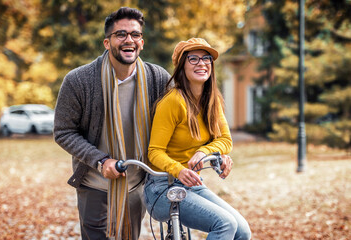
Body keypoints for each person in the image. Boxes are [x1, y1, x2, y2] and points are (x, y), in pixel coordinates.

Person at [53, 7, 170, 240]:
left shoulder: (158, 78)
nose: (129, 40)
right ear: (107, 43)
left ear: (142, 42)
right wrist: (101, 161)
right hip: (96, 184)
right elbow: (64, 131)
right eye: (121, 34)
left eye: (135, 35)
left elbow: (182, 120)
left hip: (138, 186)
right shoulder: (79, 80)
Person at [143, 38, 251, 240]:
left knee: (242, 231)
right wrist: (178, 169)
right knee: (225, 224)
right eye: (193, 59)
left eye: (206, 58)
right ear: (181, 66)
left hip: (193, 185)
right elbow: (154, 151)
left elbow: (226, 140)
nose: (202, 63)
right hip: (162, 188)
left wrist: (204, 152)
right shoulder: (173, 102)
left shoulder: (212, 101)